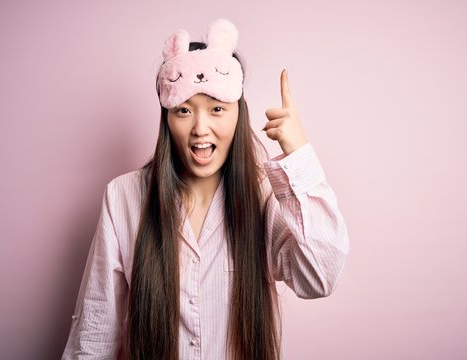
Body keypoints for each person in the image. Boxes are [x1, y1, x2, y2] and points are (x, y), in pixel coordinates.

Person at [62, 18, 349, 360]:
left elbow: (319, 277)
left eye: (216, 109)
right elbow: (95, 332)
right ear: (167, 119)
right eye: (184, 110)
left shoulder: (266, 195)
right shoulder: (123, 198)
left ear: (237, 115)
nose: (201, 128)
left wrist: (299, 154)